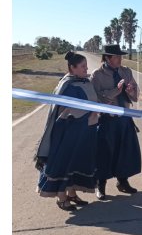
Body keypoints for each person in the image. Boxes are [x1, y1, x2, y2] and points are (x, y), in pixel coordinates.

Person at [35, 52, 99, 211]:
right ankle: (61, 197)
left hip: (84, 130)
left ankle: (71, 193)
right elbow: (68, 110)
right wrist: (89, 112)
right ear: (73, 68)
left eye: (86, 65)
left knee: (75, 162)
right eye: (83, 66)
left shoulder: (84, 81)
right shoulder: (68, 85)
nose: (86, 68)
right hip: (68, 131)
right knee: (64, 162)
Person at [91, 44, 141, 200]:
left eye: (121, 56)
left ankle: (123, 181)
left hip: (125, 118)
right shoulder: (97, 75)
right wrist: (116, 92)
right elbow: (96, 97)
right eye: (116, 56)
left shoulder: (126, 71)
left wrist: (131, 90)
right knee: (105, 153)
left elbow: (136, 94)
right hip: (107, 119)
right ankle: (100, 185)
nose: (120, 59)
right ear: (107, 58)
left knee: (124, 151)